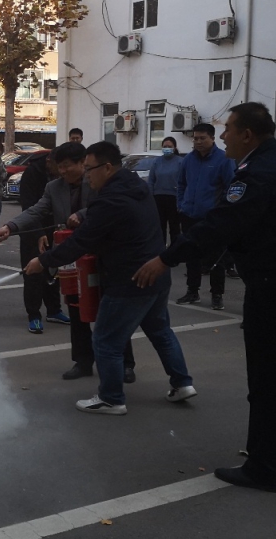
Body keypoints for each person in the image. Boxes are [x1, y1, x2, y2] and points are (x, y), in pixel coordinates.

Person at [134, 102, 276, 492]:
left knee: (269, 380)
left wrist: (165, 258)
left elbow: (221, 224)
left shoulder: (256, 173)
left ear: (247, 134)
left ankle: (263, 468)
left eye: (228, 129)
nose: (222, 136)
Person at [24, 141, 195, 414]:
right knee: (160, 331)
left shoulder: (110, 200)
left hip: (130, 279)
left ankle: (112, 398)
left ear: (106, 168)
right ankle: (182, 383)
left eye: (89, 169)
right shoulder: (136, 185)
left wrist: (43, 261)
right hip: (156, 273)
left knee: (105, 340)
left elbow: (82, 240)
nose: (87, 175)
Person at [0, 142, 136, 382]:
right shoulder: (53, 187)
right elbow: (36, 210)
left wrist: (81, 214)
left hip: (103, 256)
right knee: (76, 307)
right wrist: (10, 226)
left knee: (112, 312)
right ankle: (82, 361)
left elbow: (108, 206)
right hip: (73, 258)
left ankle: (126, 363)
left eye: (67, 166)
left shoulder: (98, 182)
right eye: (59, 167)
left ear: (82, 163)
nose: (62, 171)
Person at [176, 122, 235, 310]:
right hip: (189, 215)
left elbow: (230, 188)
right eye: (195, 138)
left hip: (212, 218)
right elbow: (181, 184)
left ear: (212, 138)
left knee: (215, 258)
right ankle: (192, 291)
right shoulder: (188, 160)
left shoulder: (223, 159)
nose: (198, 142)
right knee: (191, 255)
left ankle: (217, 295)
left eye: (202, 138)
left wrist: (220, 211)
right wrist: (181, 205)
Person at [17, 150, 66, 333]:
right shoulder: (32, 173)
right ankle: (34, 315)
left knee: (53, 271)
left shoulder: (60, 177)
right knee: (33, 273)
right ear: (49, 161)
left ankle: (54, 310)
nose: (61, 171)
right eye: (59, 167)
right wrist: (38, 232)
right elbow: (29, 207)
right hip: (32, 230)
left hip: (54, 229)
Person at [148, 136, 183, 246]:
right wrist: (151, 197)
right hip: (158, 198)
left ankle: (175, 251)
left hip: (174, 198)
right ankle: (161, 251)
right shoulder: (156, 162)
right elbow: (151, 180)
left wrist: (181, 200)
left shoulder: (180, 162)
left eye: (169, 146)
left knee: (174, 228)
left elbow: (184, 181)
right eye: (165, 146)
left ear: (174, 147)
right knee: (160, 227)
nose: (167, 148)